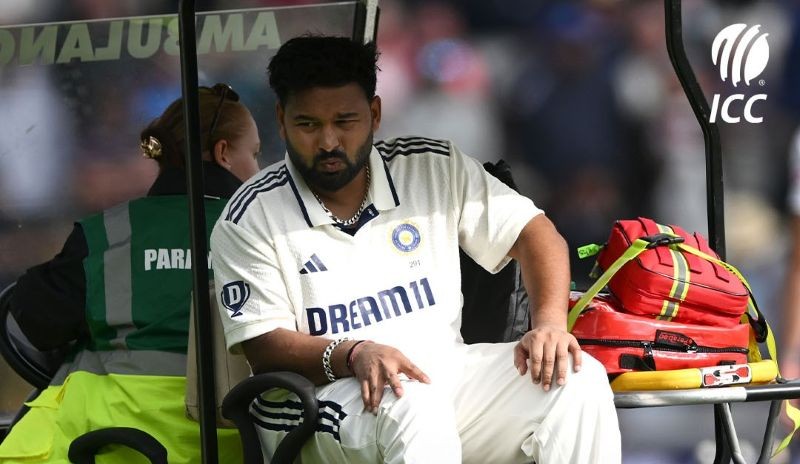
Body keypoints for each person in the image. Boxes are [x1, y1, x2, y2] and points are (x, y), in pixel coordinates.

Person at [211, 35, 621, 463]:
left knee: (577, 379)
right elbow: (263, 344)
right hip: (317, 399)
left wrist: (550, 324)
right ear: (281, 120)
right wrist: (352, 353)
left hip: (440, 374)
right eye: (308, 125)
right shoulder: (251, 214)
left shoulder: (432, 167)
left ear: (374, 113)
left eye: (345, 121)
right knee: (413, 405)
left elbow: (534, 233)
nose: (329, 141)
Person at [0, 84, 260, 463]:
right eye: (254, 154)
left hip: (107, 445)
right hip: (235, 447)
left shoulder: (109, 232)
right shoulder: (264, 234)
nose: (258, 169)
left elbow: (36, 321)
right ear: (224, 154)